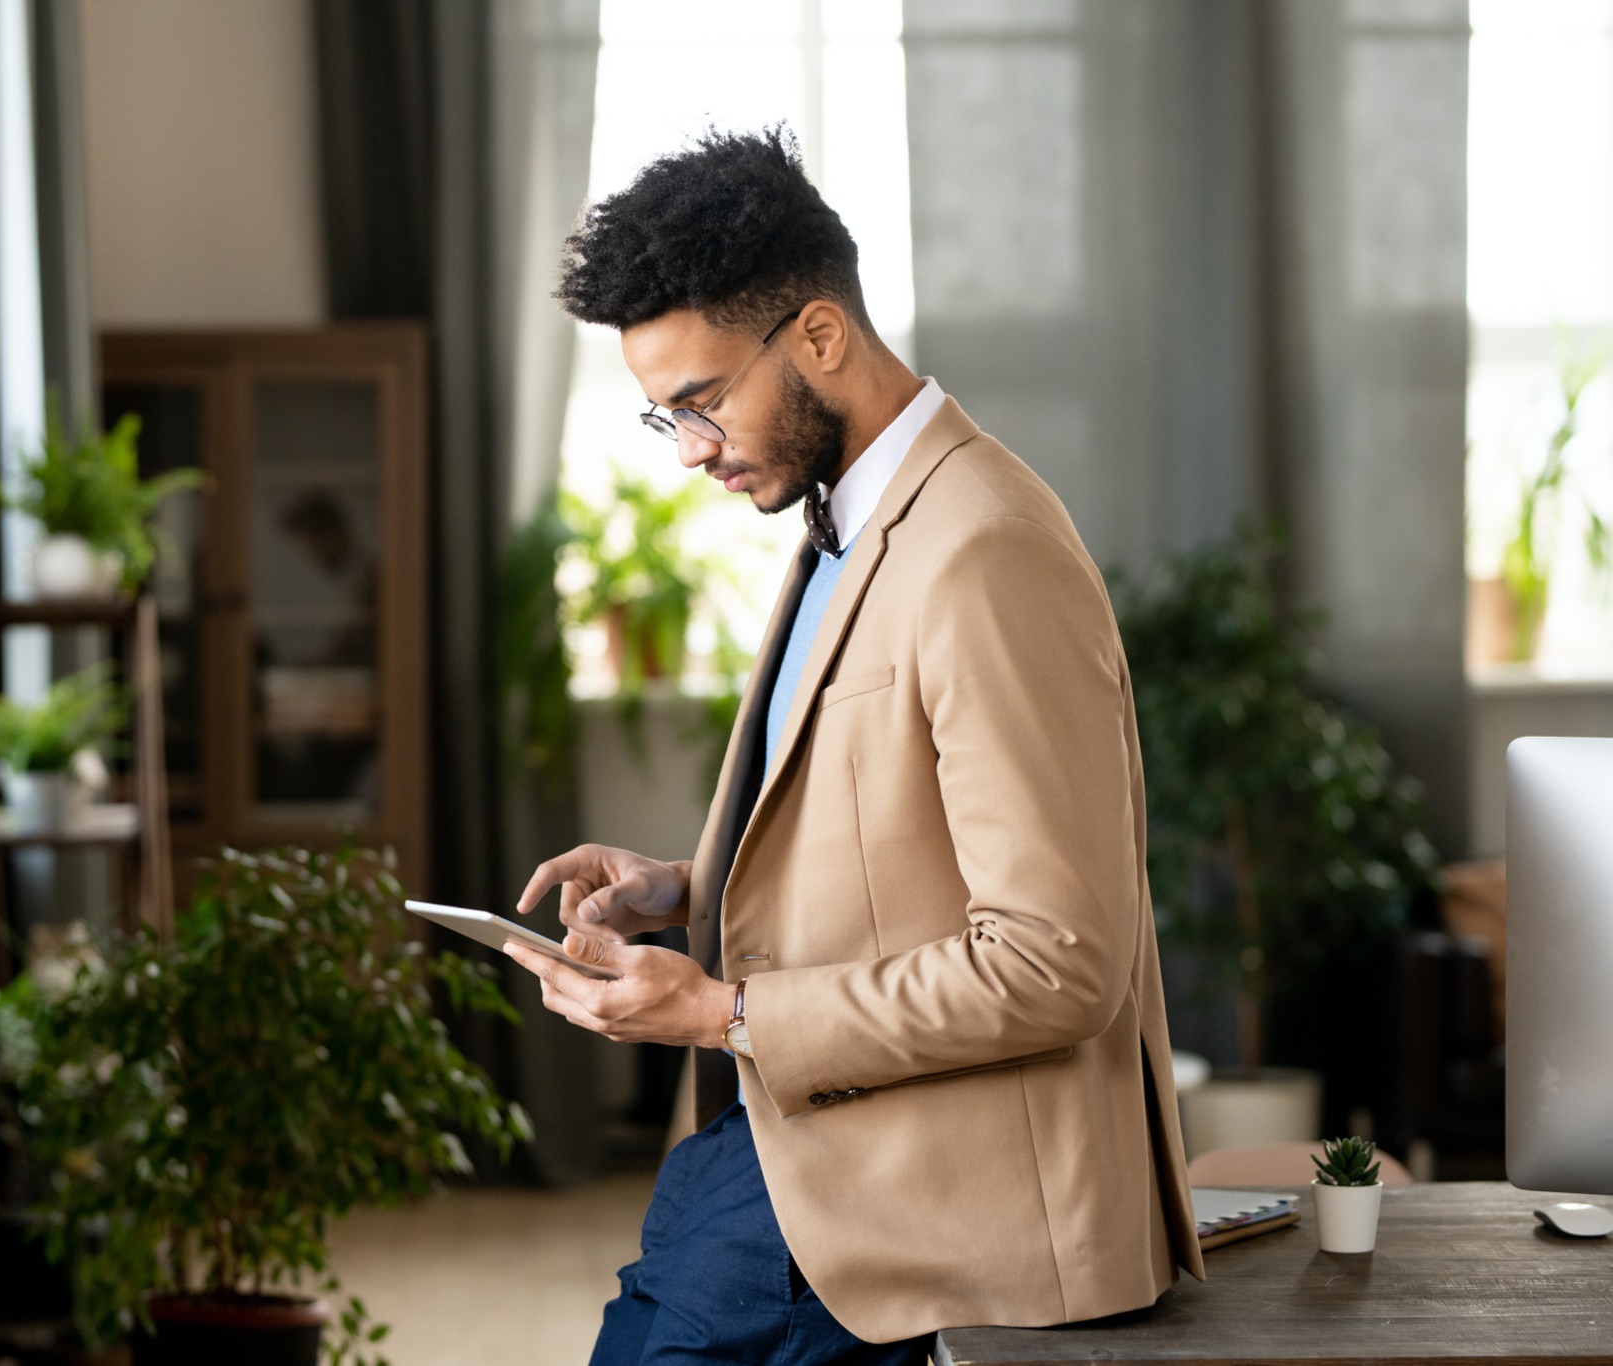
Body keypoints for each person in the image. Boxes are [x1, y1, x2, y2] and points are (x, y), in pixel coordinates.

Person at [499, 128, 1206, 1365]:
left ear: (818, 337)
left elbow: (1056, 959)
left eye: (702, 403)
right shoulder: (850, 517)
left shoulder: (984, 548)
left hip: (926, 1194)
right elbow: (895, 840)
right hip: (785, 1147)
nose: (692, 451)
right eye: (662, 417)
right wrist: (684, 888)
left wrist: (724, 1012)